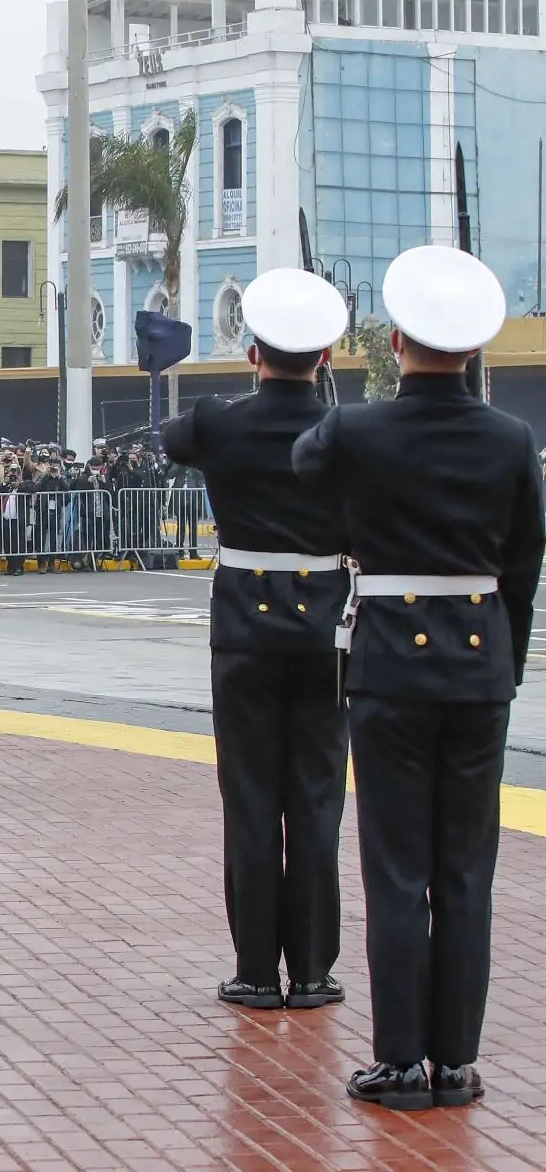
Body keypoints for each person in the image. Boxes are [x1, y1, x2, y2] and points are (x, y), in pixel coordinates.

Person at [294, 246, 543, 1111]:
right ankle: (457, 1062)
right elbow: (524, 560)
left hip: (392, 659)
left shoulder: (357, 430)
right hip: (479, 662)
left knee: (397, 869)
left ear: (394, 340)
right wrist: (501, 646)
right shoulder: (512, 440)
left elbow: (302, 468)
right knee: (467, 869)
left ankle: (398, 1061)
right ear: (475, 351)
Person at [160, 268, 352, 1014]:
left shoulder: (218, 421)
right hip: (324, 633)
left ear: (251, 351)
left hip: (244, 626)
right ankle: (310, 971)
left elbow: (172, 438)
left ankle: (254, 971)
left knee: (249, 799)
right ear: (328, 357)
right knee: (315, 800)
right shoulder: (346, 431)